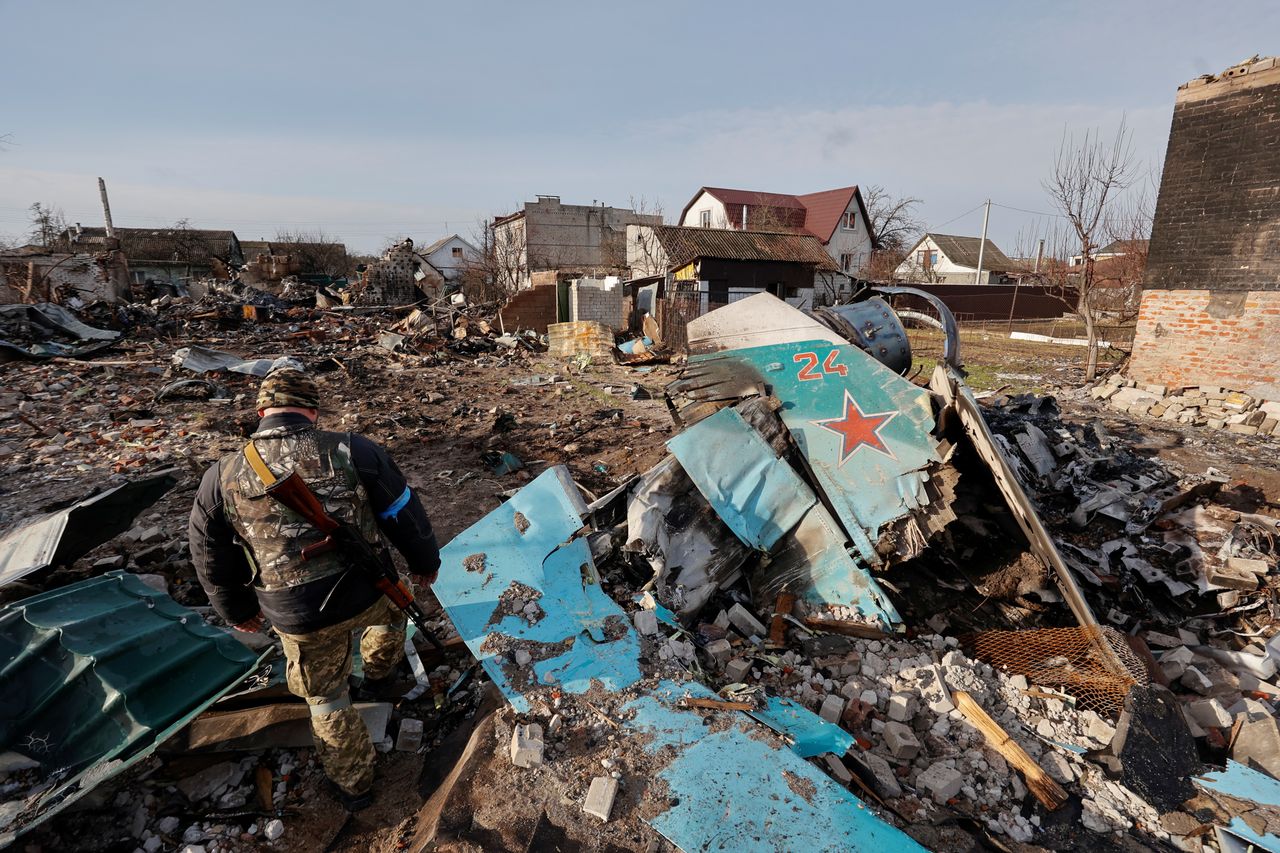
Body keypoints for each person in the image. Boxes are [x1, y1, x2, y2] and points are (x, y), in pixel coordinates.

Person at [189, 364, 440, 811]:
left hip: (296, 613)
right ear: (313, 411)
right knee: (398, 606)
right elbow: (403, 512)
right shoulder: (355, 449)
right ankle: (380, 675)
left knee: (326, 699)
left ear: (262, 410)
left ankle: (356, 786)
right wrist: (425, 564)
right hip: (368, 590)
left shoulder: (221, 475)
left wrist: (235, 611)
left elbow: (210, 555)